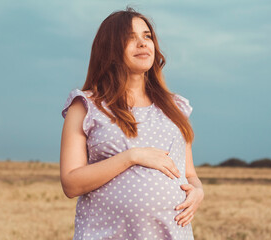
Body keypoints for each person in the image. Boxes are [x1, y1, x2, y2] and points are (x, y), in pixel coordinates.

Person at [60, 7, 204, 240]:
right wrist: (132, 156)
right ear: (109, 50)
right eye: (130, 38)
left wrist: (198, 191)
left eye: (147, 36)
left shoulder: (175, 107)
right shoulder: (86, 105)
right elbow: (71, 183)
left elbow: (190, 174)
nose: (142, 43)